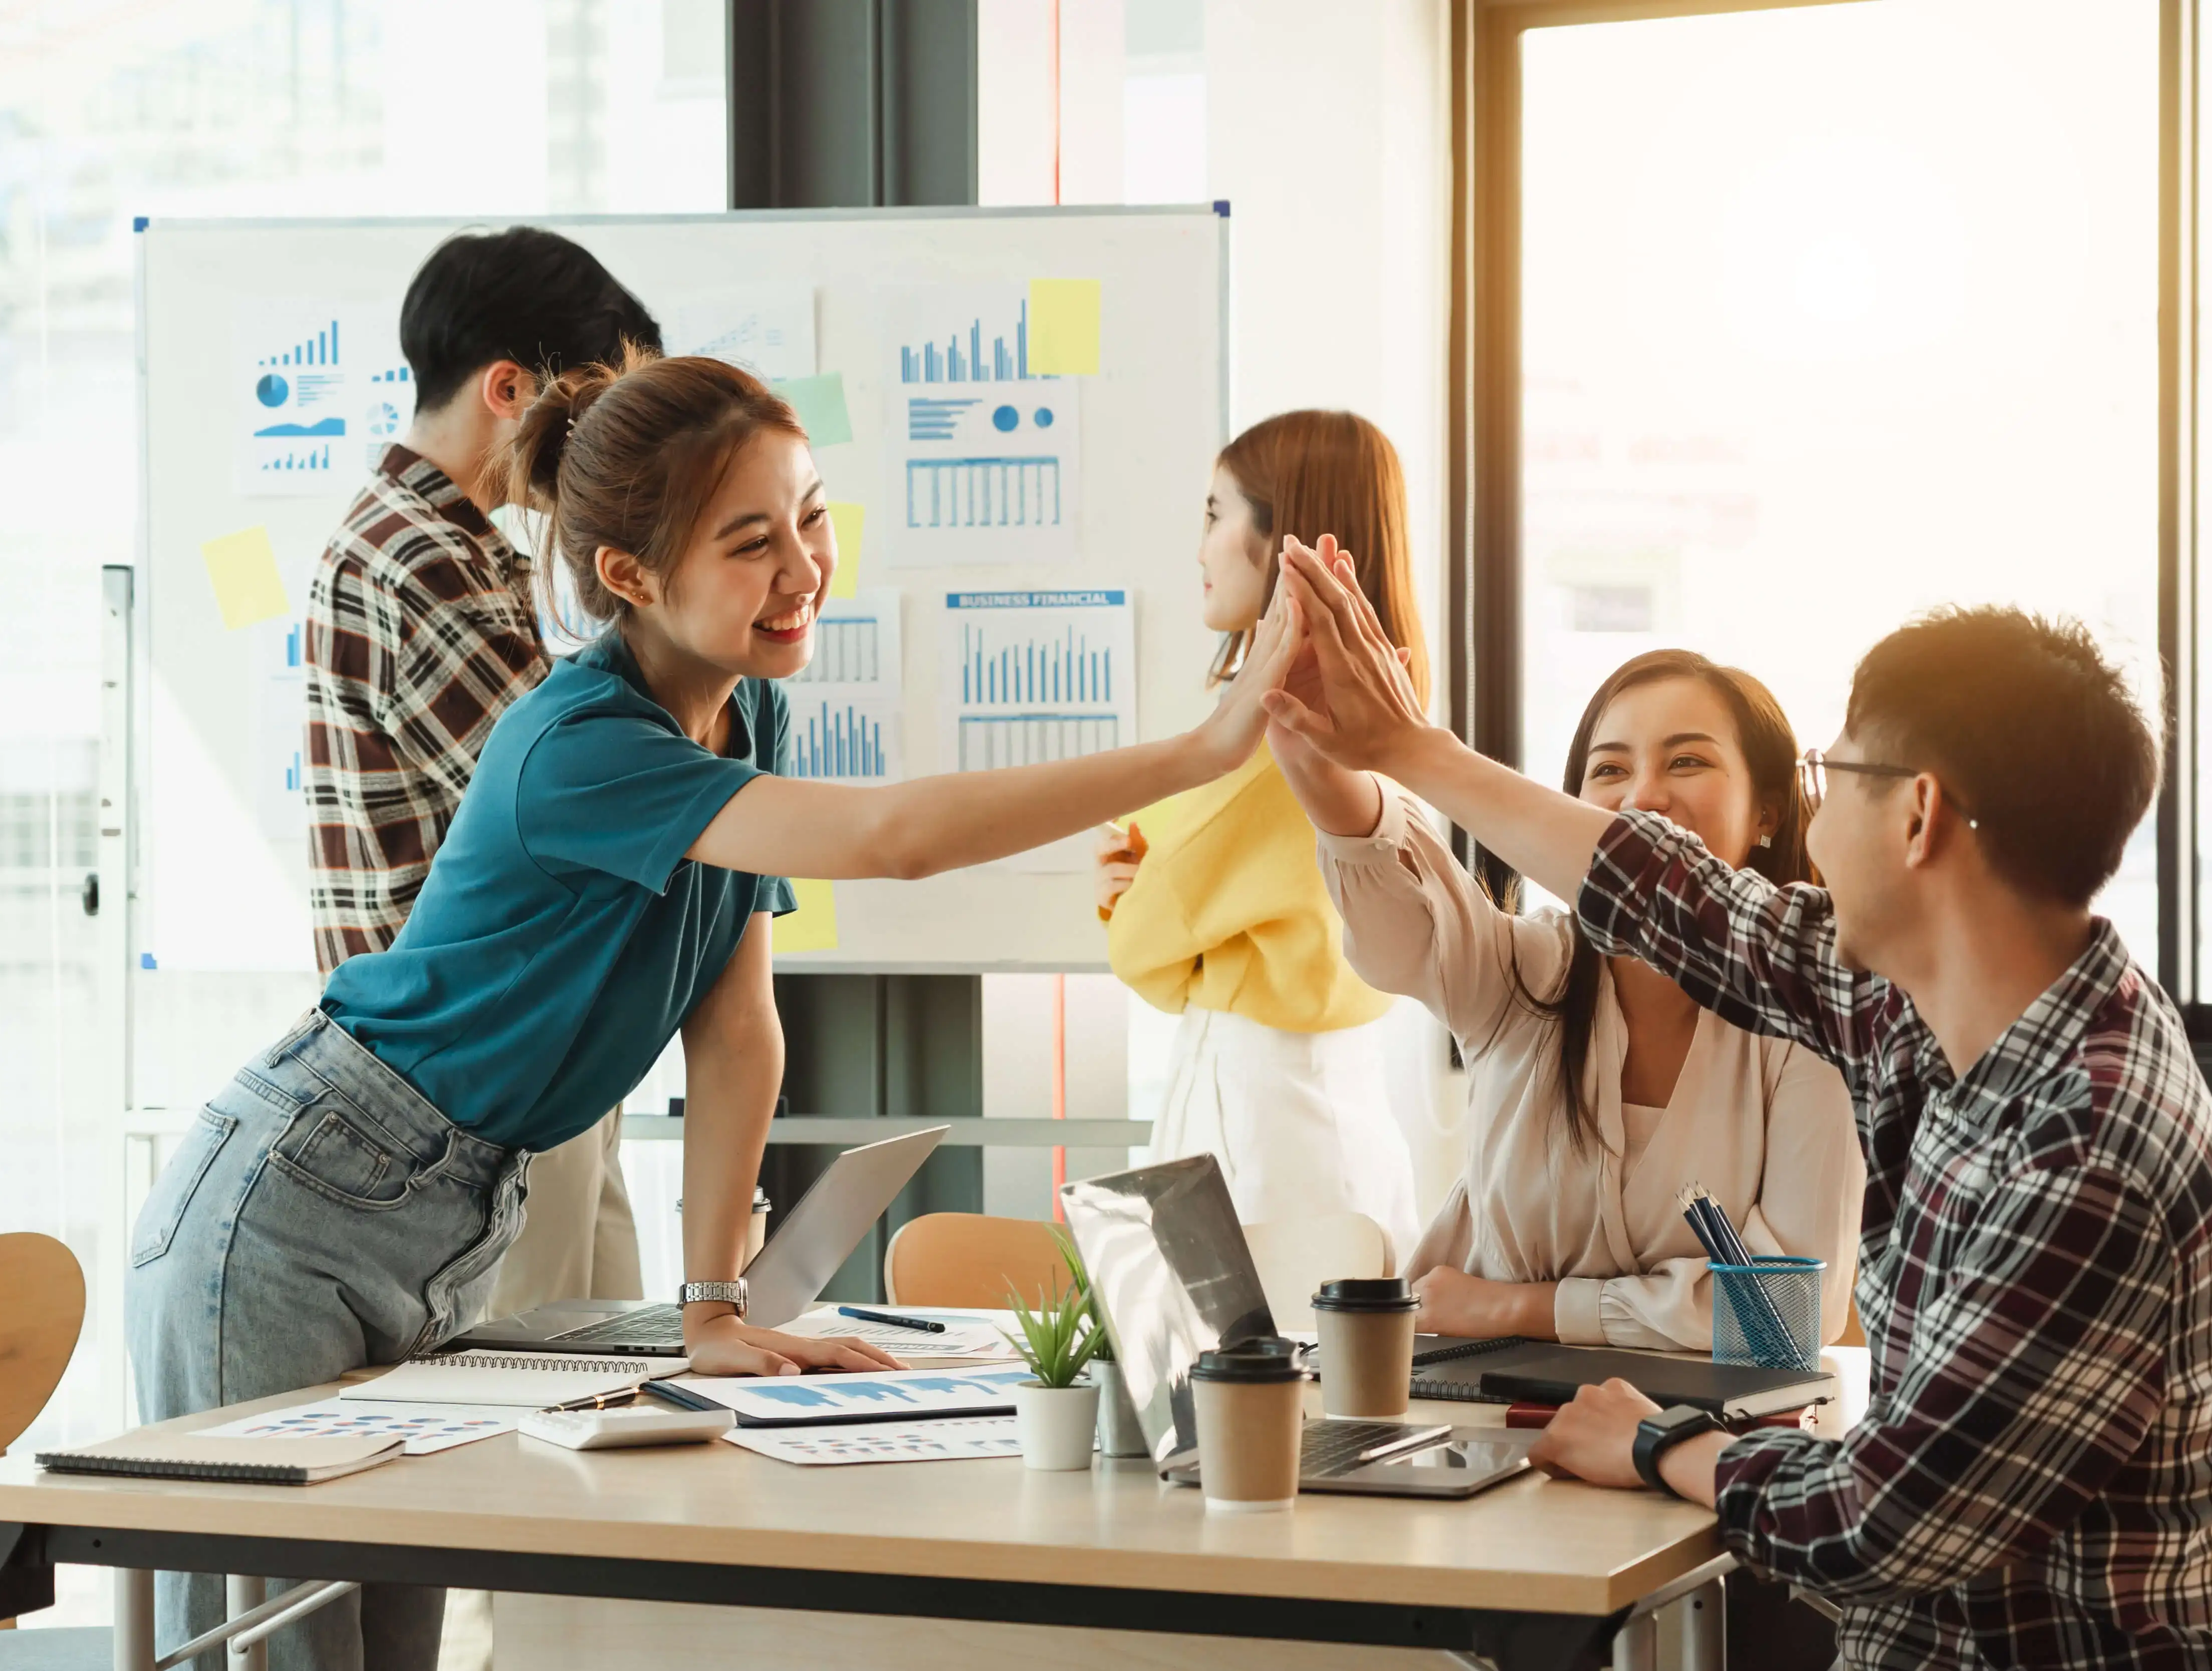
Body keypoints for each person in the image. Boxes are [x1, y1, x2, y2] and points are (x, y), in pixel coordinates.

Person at [129, 350, 1304, 1671]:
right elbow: (901, 838)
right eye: (753, 541)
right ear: (631, 577)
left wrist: (712, 1305)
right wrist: (1207, 747)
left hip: (441, 1215)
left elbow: (737, 1022)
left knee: (385, 1648)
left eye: (810, 514)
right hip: (293, 1206)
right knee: (273, 1655)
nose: (804, 566)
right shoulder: (583, 749)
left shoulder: (746, 716)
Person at [1265, 543, 2212, 1668]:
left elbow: (1881, 1519)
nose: (1813, 835)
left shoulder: (2084, 1142)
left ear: (1918, 816)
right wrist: (1407, 752)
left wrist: (1662, 1443)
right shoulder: (1924, 1010)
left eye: (1837, 782)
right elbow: (1681, 898)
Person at [1289, 647, 1860, 1350]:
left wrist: (1518, 1308)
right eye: (1610, 770)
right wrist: (1320, 763)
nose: (1643, 798)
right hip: (1466, 1413)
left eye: (1686, 762)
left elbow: (1789, 1316)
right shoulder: (1524, 970)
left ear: (1765, 812)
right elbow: (1399, 907)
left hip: (1693, 1439)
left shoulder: (1811, 1017)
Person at [301, 227, 662, 1324]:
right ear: (510, 389)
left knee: (599, 1371)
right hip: (480, 1070)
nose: (614, 454)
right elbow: (584, 804)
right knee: (533, 1405)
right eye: (600, 410)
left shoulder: (447, 545)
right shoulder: (424, 558)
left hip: (504, 1060)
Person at [1093, 410, 1432, 1254]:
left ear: (1283, 538)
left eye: (1215, 515)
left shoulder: (1282, 726)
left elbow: (1144, 944)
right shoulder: (1377, 707)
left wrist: (1137, 898)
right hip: (1320, 1104)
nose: (1201, 545)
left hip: (1264, 1118)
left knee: (1259, 1375)